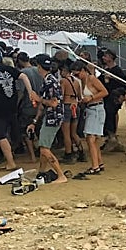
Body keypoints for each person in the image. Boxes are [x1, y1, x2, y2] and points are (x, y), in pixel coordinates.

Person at [28, 56, 67, 184]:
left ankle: (61, 175)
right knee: (44, 147)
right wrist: (35, 121)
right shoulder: (50, 80)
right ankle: (42, 172)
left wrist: (38, 99)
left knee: (44, 148)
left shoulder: (50, 81)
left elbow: (54, 103)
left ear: (39, 67)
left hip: (53, 117)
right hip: (51, 116)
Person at [75, 61, 108, 175]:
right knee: (94, 138)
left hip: (96, 108)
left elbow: (104, 92)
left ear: (83, 71)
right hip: (90, 109)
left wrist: (92, 97)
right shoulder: (81, 81)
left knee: (90, 138)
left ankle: (95, 166)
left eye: (77, 74)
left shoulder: (92, 79)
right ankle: (99, 163)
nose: (76, 77)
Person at [97, 47, 126, 153]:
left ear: (110, 58)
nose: (103, 58)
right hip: (105, 98)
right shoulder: (105, 70)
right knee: (106, 118)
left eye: (105, 56)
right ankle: (109, 139)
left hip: (113, 99)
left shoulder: (117, 70)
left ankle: (112, 138)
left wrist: (111, 80)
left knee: (110, 116)